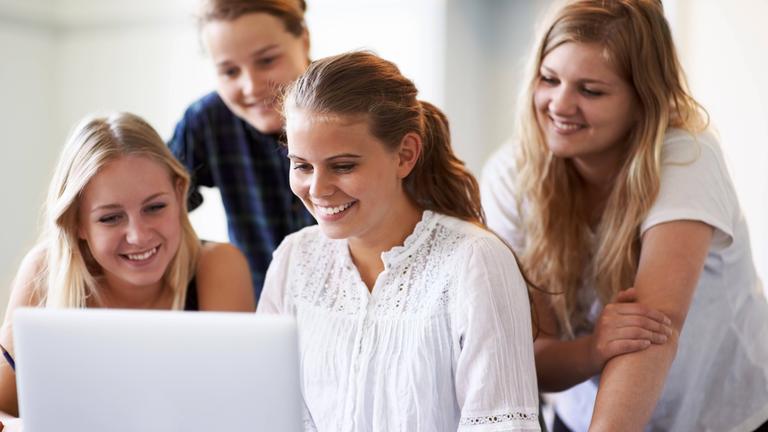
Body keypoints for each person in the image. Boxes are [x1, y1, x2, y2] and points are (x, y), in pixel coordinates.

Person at [481, 0, 768, 431]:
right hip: (582, 416)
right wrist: (593, 348)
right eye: (549, 79)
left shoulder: (687, 158)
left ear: (643, 99)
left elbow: (654, 331)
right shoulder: (511, 174)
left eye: (590, 90)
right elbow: (532, 356)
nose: (560, 105)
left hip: (719, 416)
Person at [258, 51, 540, 431]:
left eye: (343, 166)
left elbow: (501, 424)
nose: (318, 189)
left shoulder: (474, 261)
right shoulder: (294, 257)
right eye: (302, 166)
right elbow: (265, 412)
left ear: (405, 155)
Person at [0, 113, 255, 424]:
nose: (138, 236)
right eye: (110, 218)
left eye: (155, 207)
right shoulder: (45, 271)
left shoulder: (217, 267)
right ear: (77, 222)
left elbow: (236, 415)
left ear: (179, 194)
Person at [169, 0, 315, 300]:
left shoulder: (356, 110)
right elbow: (156, 205)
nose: (251, 86)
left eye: (266, 61)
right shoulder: (207, 122)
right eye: (230, 71)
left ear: (304, 40)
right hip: (263, 314)